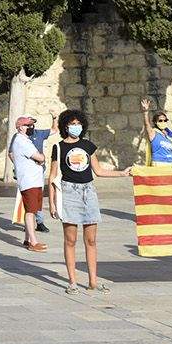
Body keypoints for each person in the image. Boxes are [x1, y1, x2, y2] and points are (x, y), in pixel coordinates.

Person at [46, 109, 130, 294]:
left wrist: (122, 173)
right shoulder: (58, 148)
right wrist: (51, 203)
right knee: (70, 239)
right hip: (69, 192)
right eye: (72, 124)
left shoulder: (88, 145)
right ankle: (73, 281)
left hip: (88, 192)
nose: (75, 127)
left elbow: (99, 171)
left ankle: (93, 280)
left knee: (91, 240)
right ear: (65, 126)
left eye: (78, 124)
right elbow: (52, 177)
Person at [9, 116, 47, 252]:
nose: (31, 128)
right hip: (29, 181)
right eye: (28, 125)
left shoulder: (26, 140)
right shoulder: (21, 141)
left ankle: (27, 239)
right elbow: (39, 157)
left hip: (34, 180)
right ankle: (33, 242)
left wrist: (39, 159)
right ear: (20, 127)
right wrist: (41, 158)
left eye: (31, 125)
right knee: (30, 212)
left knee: (31, 210)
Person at [140, 98, 172, 165]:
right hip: (159, 164)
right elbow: (147, 124)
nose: (163, 122)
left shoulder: (170, 135)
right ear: (155, 122)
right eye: (160, 120)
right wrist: (145, 112)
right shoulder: (153, 133)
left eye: (165, 120)